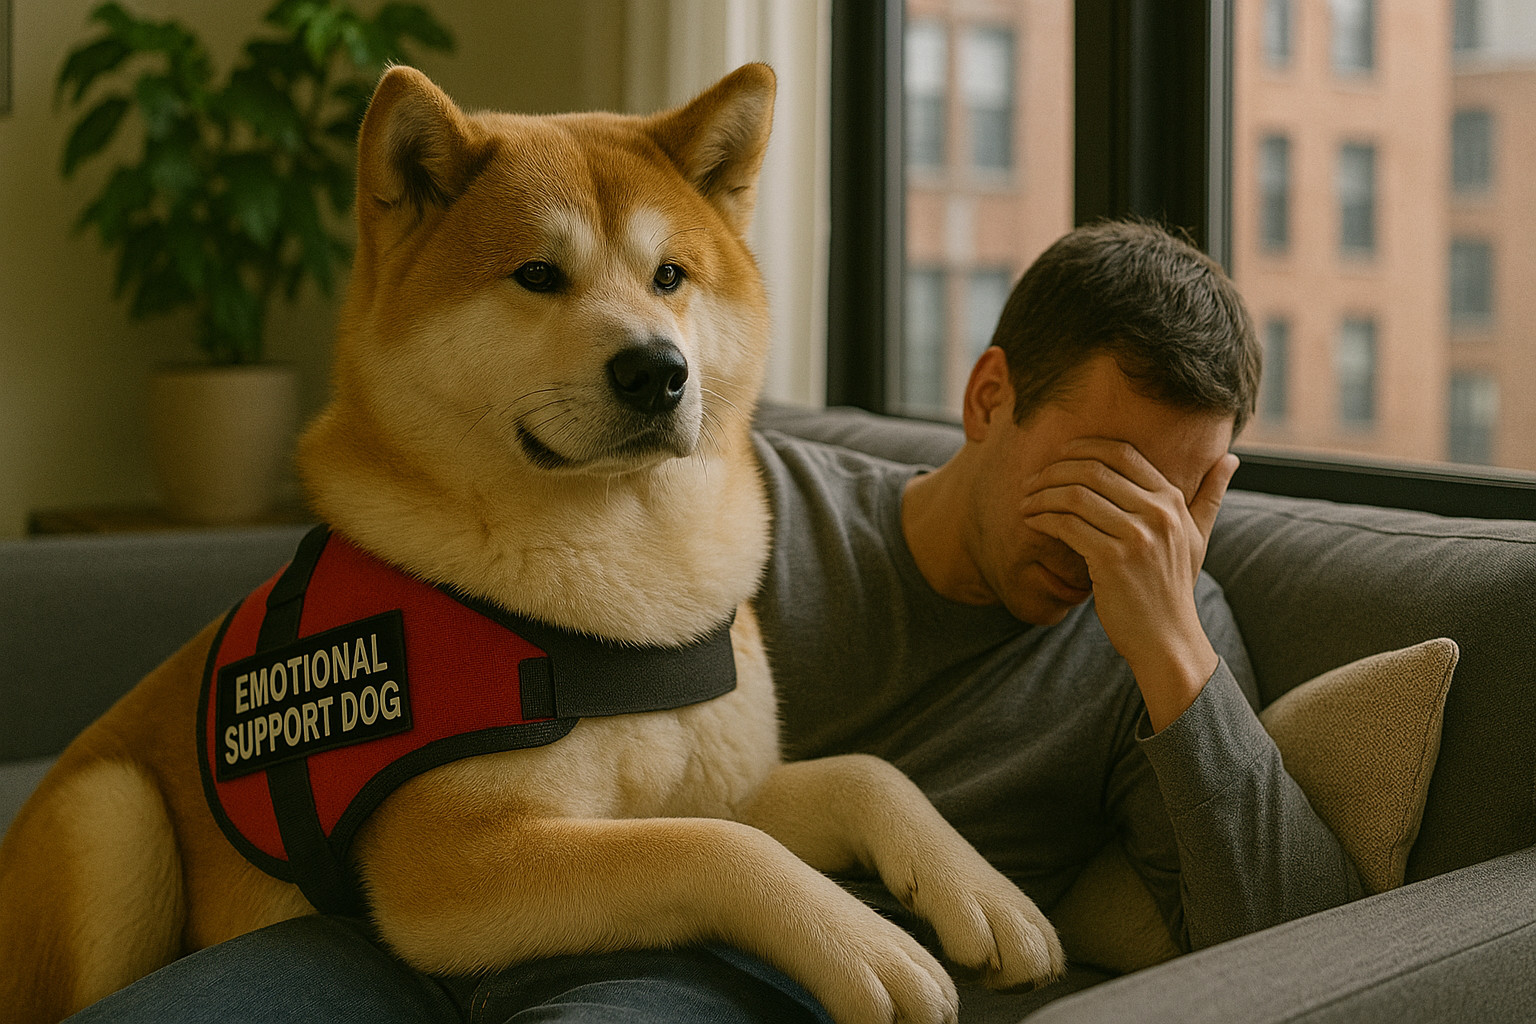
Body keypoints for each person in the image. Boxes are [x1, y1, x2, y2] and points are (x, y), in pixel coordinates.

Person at [64, 220, 1363, 1023]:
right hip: (435, 920)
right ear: (987, 399)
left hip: (721, 982)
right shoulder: (742, 499)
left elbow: (1324, 964)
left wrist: (1176, 651)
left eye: (1185, 493)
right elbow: (408, 619)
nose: (1127, 537)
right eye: (1100, 478)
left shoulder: (1167, 644)